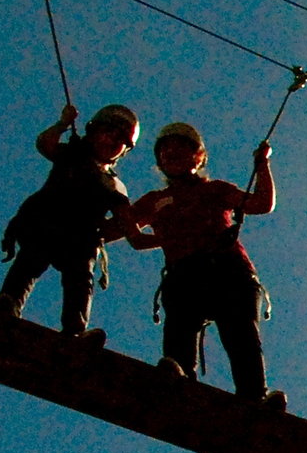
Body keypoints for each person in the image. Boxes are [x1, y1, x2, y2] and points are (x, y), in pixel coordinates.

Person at [120, 122, 284, 409]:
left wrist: (262, 166)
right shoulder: (154, 201)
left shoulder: (215, 190)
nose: (171, 154)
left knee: (241, 334)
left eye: (180, 149)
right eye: (165, 151)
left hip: (228, 270)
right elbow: (119, 230)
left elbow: (260, 204)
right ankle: (179, 376)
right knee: (181, 324)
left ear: (198, 156)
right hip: (186, 274)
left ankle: (254, 396)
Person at [0, 103, 138, 344]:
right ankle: (9, 301)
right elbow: (45, 144)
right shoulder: (73, 154)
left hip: (80, 239)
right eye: (108, 131)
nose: (112, 141)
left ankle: (75, 328)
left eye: (120, 139)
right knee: (30, 260)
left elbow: (124, 222)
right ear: (92, 132)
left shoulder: (113, 185)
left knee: (80, 279)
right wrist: (62, 124)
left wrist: (107, 233)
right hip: (48, 223)